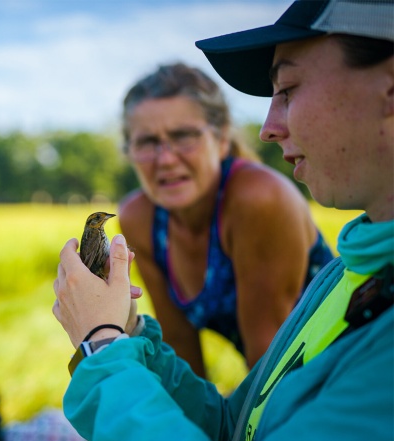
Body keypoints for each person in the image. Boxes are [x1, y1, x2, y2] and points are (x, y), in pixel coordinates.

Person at [53, 0, 393, 441]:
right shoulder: (353, 267)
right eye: (146, 142)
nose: (268, 126)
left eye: (288, 89)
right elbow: (249, 416)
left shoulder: (259, 200)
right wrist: (127, 338)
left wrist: (100, 348)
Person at [117, 62, 334, 376]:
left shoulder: (257, 199)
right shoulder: (140, 218)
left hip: (339, 379)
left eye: (183, 136)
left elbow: (268, 360)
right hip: (276, 385)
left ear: (220, 140)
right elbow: (180, 350)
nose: (165, 159)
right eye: (147, 142)